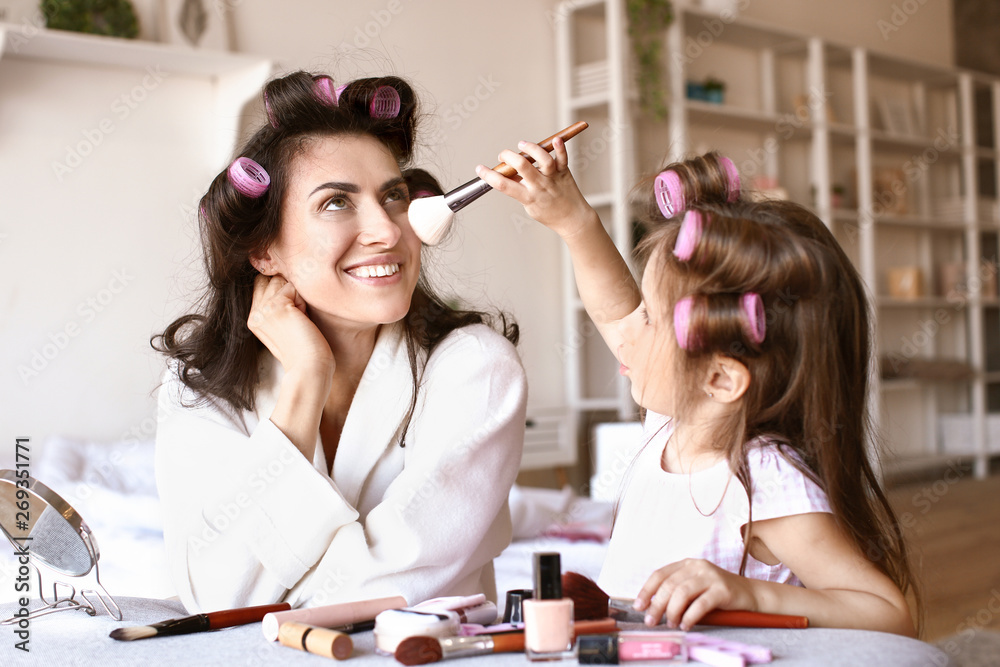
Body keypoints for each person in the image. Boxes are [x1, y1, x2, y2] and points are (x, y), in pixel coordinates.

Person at [476, 145, 918, 636]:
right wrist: (574, 222)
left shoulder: (764, 478)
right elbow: (611, 307)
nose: (627, 332)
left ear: (721, 380)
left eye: (648, 319)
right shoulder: (674, 420)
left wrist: (749, 592)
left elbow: (890, 614)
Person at [152, 71, 527, 613]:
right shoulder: (198, 388)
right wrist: (307, 378)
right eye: (336, 203)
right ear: (264, 252)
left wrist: (274, 593)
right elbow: (215, 596)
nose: (388, 230)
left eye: (393, 196)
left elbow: (393, 582)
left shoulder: (475, 369)